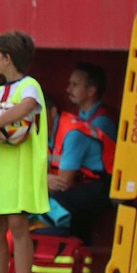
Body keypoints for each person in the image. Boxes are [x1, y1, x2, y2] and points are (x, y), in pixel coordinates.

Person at [0, 31, 49, 273]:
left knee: (18, 224)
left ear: (7, 58)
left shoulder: (29, 85)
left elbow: (27, 106)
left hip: (19, 167)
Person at [43, 63, 118, 243]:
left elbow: (64, 182)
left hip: (106, 185)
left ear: (91, 91)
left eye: (75, 85)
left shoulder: (102, 121)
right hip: (81, 183)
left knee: (57, 201)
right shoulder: (75, 119)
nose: (68, 89)